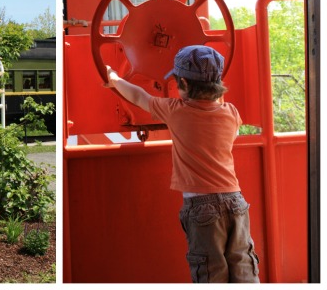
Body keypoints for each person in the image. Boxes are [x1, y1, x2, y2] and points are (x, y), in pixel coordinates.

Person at [105, 45, 260, 283]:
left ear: (184, 84)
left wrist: (114, 78)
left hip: (201, 207)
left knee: (211, 272)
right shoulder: (231, 113)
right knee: (244, 267)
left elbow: (139, 97)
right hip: (236, 201)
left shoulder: (176, 111)